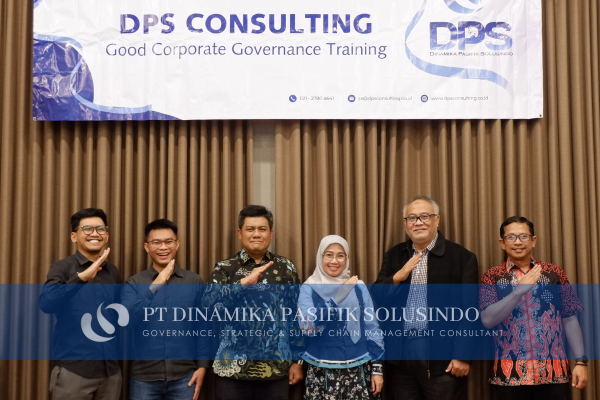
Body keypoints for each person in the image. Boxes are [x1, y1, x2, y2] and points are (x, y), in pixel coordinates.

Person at [373, 196, 479, 400]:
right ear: (405, 223)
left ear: (437, 220)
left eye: (424, 216)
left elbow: (470, 311)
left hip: (443, 358)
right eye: (412, 218)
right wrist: (397, 277)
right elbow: (377, 297)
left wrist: (463, 355)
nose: (418, 222)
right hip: (399, 356)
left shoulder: (462, 257)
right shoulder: (394, 255)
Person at [479, 216, 588, 399]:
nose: (518, 242)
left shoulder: (554, 273)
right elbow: (487, 320)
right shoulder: (491, 276)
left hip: (554, 374)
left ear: (533, 240)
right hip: (510, 376)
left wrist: (581, 362)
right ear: (502, 243)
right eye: (511, 237)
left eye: (524, 236)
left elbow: (569, 318)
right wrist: (517, 291)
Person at [202, 205, 304, 400]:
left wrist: (298, 361)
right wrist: (243, 284)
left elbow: (296, 316)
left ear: (271, 233)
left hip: (276, 369)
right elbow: (208, 308)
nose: (256, 234)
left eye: (262, 229)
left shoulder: (286, 267)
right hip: (232, 371)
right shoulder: (225, 268)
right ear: (240, 233)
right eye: (250, 229)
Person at [39, 208, 122, 400]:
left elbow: (118, 315)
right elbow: (46, 304)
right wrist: (81, 278)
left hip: (110, 371)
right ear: (74, 236)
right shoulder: (62, 267)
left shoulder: (113, 272)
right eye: (87, 229)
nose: (95, 233)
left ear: (107, 235)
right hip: (74, 371)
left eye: (100, 229)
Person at [122, 219, 209, 400]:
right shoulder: (134, 283)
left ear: (177, 244)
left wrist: (202, 366)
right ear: (146, 247)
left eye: (169, 242)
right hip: (144, 378)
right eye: (156, 242)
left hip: (184, 377)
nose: (163, 247)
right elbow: (127, 320)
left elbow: (202, 326)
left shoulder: (193, 281)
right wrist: (154, 286)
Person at [297, 235, 384, 400]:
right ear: (320, 256)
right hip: (321, 371)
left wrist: (377, 369)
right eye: (328, 255)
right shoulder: (308, 288)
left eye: (340, 255)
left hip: (358, 368)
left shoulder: (358, 287)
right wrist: (335, 300)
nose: (334, 261)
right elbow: (307, 328)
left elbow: (372, 327)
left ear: (347, 258)